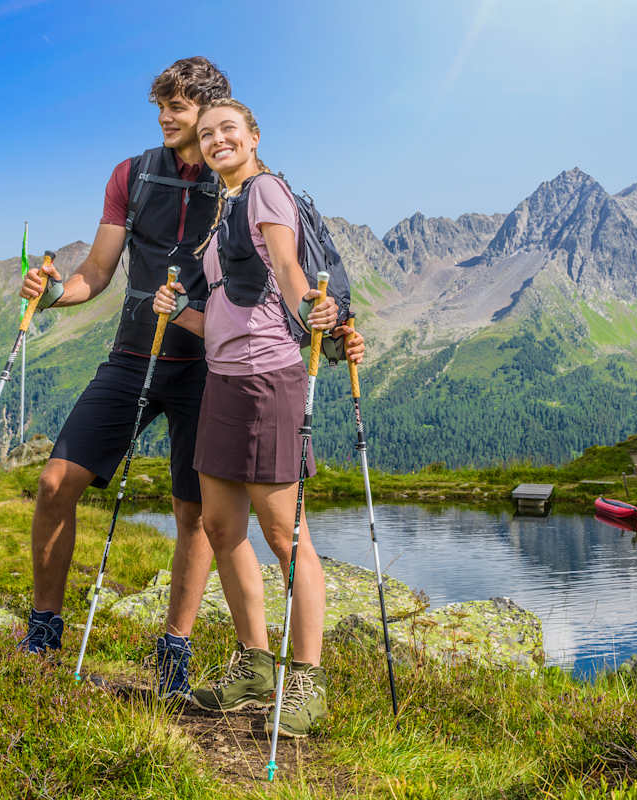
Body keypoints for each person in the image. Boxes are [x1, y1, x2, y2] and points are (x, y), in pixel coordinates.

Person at [16, 57, 229, 699]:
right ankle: (44, 634)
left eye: (179, 106)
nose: (165, 116)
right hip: (133, 356)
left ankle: (174, 652)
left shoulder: (238, 180)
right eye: (160, 105)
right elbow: (98, 272)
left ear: (211, 111)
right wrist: (53, 295)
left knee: (193, 513)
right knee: (57, 481)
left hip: (207, 369)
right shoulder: (130, 176)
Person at [153, 98, 363, 738]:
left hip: (270, 380)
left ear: (253, 137)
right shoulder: (222, 214)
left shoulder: (267, 191)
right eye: (208, 133)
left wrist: (318, 312)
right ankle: (252, 665)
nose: (217, 140)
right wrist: (179, 309)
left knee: (284, 534)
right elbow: (230, 307)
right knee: (220, 526)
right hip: (221, 380)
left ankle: (306, 680)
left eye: (228, 131)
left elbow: (290, 269)